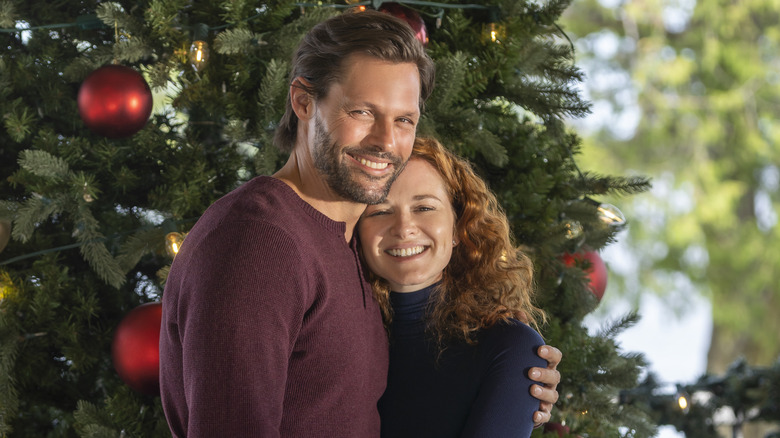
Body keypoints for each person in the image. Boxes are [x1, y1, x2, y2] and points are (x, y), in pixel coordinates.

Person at [159, 10, 560, 438]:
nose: (386, 141)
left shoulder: (346, 244)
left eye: (404, 120)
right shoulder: (260, 240)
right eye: (363, 112)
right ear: (303, 102)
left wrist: (511, 363)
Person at [358, 137, 548, 437]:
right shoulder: (331, 333)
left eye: (424, 207)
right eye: (380, 211)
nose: (403, 227)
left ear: (458, 227)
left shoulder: (509, 347)